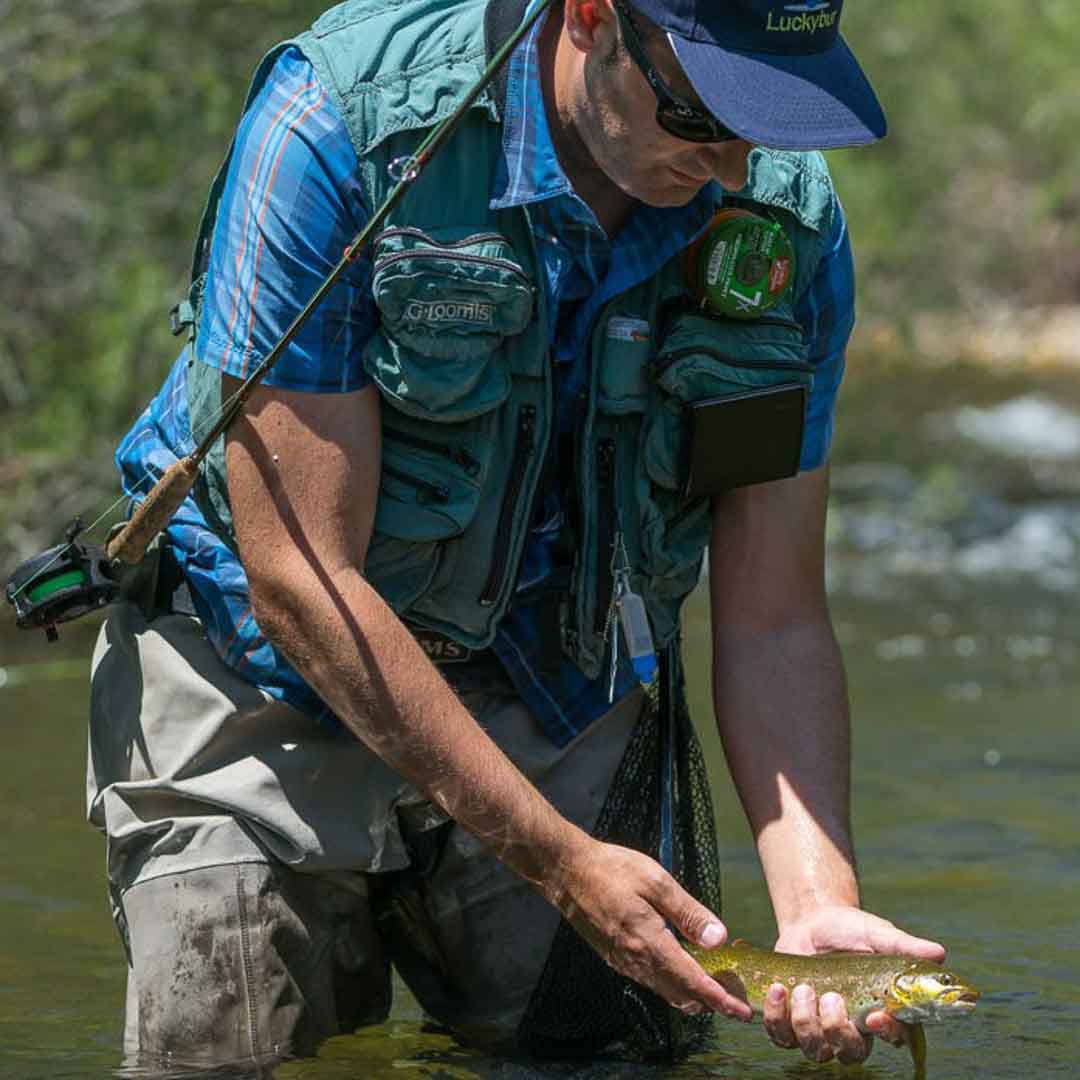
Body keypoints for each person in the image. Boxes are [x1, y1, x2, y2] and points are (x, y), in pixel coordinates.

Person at [87, 0, 945, 1069]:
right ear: (590, 16)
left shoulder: (788, 229)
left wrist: (819, 907)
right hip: (265, 671)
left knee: (601, 1058)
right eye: (699, 112)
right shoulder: (337, 126)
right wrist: (558, 861)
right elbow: (300, 574)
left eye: (763, 121)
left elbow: (771, 618)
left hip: (559, 682)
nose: (731, 166)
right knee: (223, 1049)